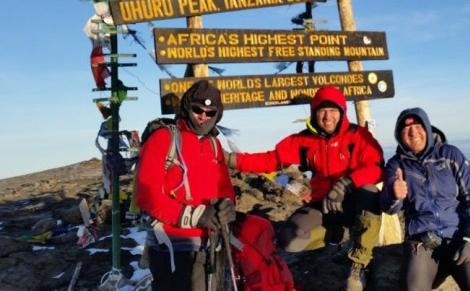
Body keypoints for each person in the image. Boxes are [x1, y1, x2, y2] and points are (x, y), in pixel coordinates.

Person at [224, 86, 385, 291]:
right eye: (322, 111)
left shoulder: (357, 136)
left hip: (353, 201)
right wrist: (232, 160)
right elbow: (270, 160)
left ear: (342, 113)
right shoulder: (304, 140)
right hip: (323, 204)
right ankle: (341, 233)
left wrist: (347, 183)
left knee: (369, 193)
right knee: (290, 240)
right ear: (314, 113)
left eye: (333, 111)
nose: (328, 117)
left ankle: (359, 265)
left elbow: (377, 167)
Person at [136, 79, 237, 291]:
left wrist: (227, 206)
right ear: (186, 108)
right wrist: (197, 216)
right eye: (197, 109)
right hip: (172, 248)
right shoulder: (163, 138)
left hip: (209, 245)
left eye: (210, 112)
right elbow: (146, 196)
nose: (203, 116)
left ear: (218, 115)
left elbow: (224, 185)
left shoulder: (213, 144)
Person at [379, 107, 470, 291]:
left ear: (428, 129)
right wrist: (393, 195)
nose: (413, 132)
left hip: (460, 239)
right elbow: (389, 208)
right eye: (406, 130)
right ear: (399, 136)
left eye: (418, 126)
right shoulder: (396, 165)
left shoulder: (450, 155)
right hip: (422, 243)